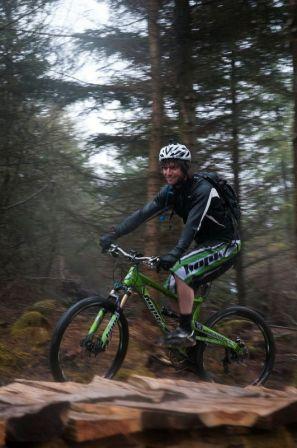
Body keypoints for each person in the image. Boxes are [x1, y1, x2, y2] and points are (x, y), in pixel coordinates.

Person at [100, 143, 241, 347]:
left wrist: (174, 254)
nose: (168, 172)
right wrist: (113, 234)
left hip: (226, 244)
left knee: (181, 271)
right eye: (164, 167)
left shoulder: (203, 190)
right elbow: (141, 215)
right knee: (171, 286)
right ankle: (190, 335)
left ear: (184, 167)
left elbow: (192, 226)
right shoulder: (170, 192)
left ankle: (186, 332)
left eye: (173, 167)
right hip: (206, 244)